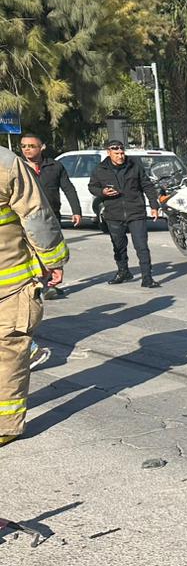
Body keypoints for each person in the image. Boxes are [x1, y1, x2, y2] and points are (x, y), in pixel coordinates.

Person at [0, 140, 69, 447]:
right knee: (10, 351)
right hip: (8, 281)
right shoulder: (5, 163)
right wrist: (54, 260)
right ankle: (6, 425)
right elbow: (36, 215)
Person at [89, 141, 160, 288]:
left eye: (122, 153)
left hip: (136, 212)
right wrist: (102, 192)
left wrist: (154, 205)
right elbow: (92, 186)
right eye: (116, 154)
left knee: (141, 246)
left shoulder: (134, 166)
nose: (120, 156)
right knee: (119, 246)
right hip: (113, 213)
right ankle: (123, 271)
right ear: (109, 153)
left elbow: (147, 185)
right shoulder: (100, 169)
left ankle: (147, 277)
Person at [18, 133, 80, 299]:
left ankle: (47, 284)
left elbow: (68, 188)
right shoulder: (18, 167)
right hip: (26, 218)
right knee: (31, 252)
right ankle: (38, 284)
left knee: (50, 250)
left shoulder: (55, 166)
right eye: (24, 146)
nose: (27, 149)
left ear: (42, 147)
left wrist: (76, 210)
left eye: (31, 146)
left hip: (51, 216)